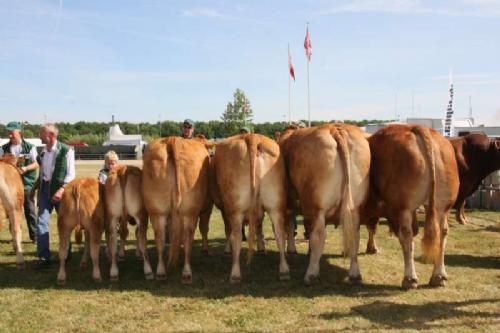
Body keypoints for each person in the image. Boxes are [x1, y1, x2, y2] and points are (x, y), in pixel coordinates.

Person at [35, 123, 75, 268]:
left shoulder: (67, 151)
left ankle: (67, 251)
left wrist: (62, 190)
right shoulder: (43, 152)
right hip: (45, 190)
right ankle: (44, 257)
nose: (39, 135)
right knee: (41, 222)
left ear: (51, 135)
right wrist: (35, 189)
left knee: (64, 223)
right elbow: (43, 174)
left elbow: (71, 174)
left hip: (61, 191)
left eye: (41, 133)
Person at [0, 121, 39, 242]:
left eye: (12, 132)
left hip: (26, 184)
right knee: (11, 210)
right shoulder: (3, 148)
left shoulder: (30, 147)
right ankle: (15, 235)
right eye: (8, 133)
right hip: (9, 186)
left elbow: (37, 163)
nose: (10, 135)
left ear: (19, 132)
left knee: (30, 211)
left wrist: (26, 168)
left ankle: (35, 236)